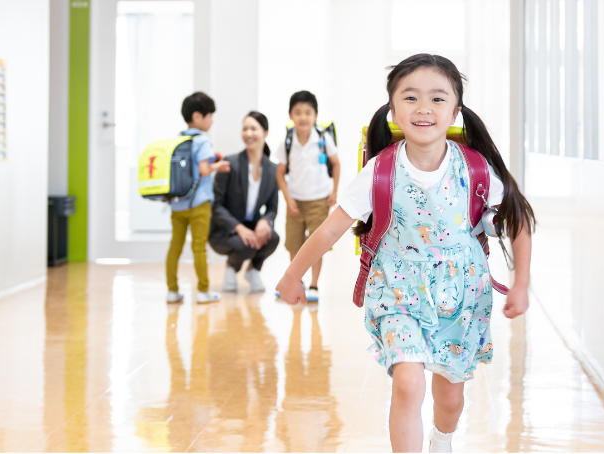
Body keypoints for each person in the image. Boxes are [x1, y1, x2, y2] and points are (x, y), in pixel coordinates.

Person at [275, 54, 535, 453]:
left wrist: (521, 283)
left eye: (437, 98)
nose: (424, 108)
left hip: (461, 294)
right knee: (408, 383)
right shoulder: (380, 169)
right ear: (393, 109)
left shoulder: (475, 168)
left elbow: (516, 221)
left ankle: (441, 439)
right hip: (398, 290)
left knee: (449, 398)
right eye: (410, 98)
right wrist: (293, 275)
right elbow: (330, 228)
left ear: (456, 111)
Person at [275, 91, 341, 302]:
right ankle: (296, 282)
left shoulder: (323, 138)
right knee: (294, 244)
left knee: (316, 245)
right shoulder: (288, 140)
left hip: (319, 200)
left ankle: (313, 285)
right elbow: (280, 172)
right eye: (298, 112)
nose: (303, 117)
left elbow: (336, 163)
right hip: (295, 201)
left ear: (316, 115)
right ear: (290, 115)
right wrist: (287, 198)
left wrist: (334, 191)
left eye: (307, 112)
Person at [166, 92, 230, 304]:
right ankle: (203, 291)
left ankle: (172, 291)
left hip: (177, 204)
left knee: (175, 246)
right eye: (209, 115)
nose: (211, 120)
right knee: (199, 247)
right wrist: (217, 166)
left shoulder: (178, 138)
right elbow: (204, 170)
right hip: (199, 203)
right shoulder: (202, 141)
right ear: (197, 116)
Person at [209, 111, 280, 293]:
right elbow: (216, 206)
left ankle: (253, 270)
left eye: (253, 129)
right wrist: (239, 229)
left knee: (272, 238)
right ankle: (231, 268)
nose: (248, 133)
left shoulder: (273, 170)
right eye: (245, 129)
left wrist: (265, 221)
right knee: (244, 244)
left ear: (265, 133)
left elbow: (273, 207)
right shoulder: (230, 163)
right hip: (224, 231)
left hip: (251, 226)